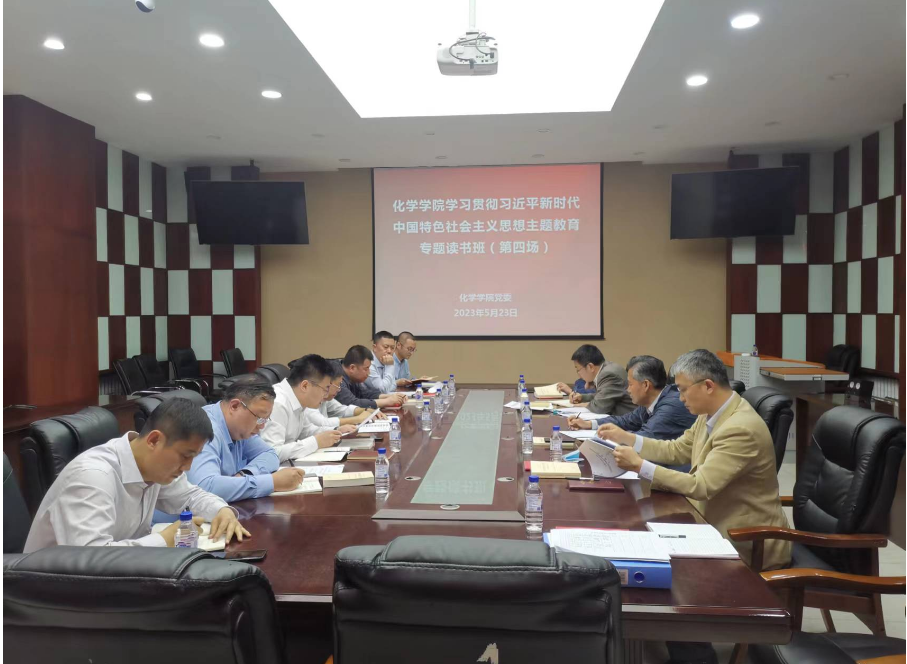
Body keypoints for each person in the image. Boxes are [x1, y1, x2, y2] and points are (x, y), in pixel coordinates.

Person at [603, 349, 791, 570]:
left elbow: (701, 485)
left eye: (683, 390)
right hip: (710, 523)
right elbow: (677, 449)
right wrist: (629, 439)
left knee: (654, 564)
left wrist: (640, 465)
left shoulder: (741, 428)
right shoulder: (710, 413)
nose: (680, 398)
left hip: (747, 540)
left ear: (708, 386)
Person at [24, 398, 249, 551]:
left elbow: (190, 496)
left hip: (119, 579)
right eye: (185, 455)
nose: (188, 467)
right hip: (52, 595)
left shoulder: (154, 467)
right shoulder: (93, 477)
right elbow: (90, 559)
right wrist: (164, 540)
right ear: (154, 440)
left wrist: (222, 511)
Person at [188, 376, 304, 501]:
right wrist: (272, 483)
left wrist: (244, 475)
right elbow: (205, 487)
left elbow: (270, 454)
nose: (262, 426)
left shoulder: (239, 429)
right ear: (235, 406)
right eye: (259, 418)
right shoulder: (205, 429)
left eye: (265, 420)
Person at [568, 355, 695, 440]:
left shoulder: (670, 406)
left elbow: (644, 438)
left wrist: (610, 435)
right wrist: (589, 424)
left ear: (646, 385)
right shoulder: (650, 401)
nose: (627, 390)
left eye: (630, 384)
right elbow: (626, 421)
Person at [260, 354, 345, 463]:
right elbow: (273, 452)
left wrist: (335, 430)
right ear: (305, 386)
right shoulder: (277, 403)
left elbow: (306, 431)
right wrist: (316, 442)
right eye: (325, 388)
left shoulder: (298, 399)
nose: (326, 394)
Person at [303, 360, 385, 432]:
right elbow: (322, 423)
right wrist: (357, 419)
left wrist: (365, 410)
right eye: (337, 385)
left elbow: (341, 409)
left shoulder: (325, 398)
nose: (339, 389)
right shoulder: (308, 399)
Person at [566, 344, 635, 416]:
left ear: (590, 367)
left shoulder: (608, 374)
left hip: (629, 419)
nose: (578, 374)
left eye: (578, 370)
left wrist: (581, 405)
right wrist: (582, 398)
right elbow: (603, 395)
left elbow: (600, 407)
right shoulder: (606, 368)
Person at [335, 345, 406, 409]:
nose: (368, 373)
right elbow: (352, 403)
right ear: (352, 368)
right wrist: (387, 401)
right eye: (366, 369)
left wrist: (391, 396)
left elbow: (365, 394)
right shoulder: (335, 377)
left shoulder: (353, 377)